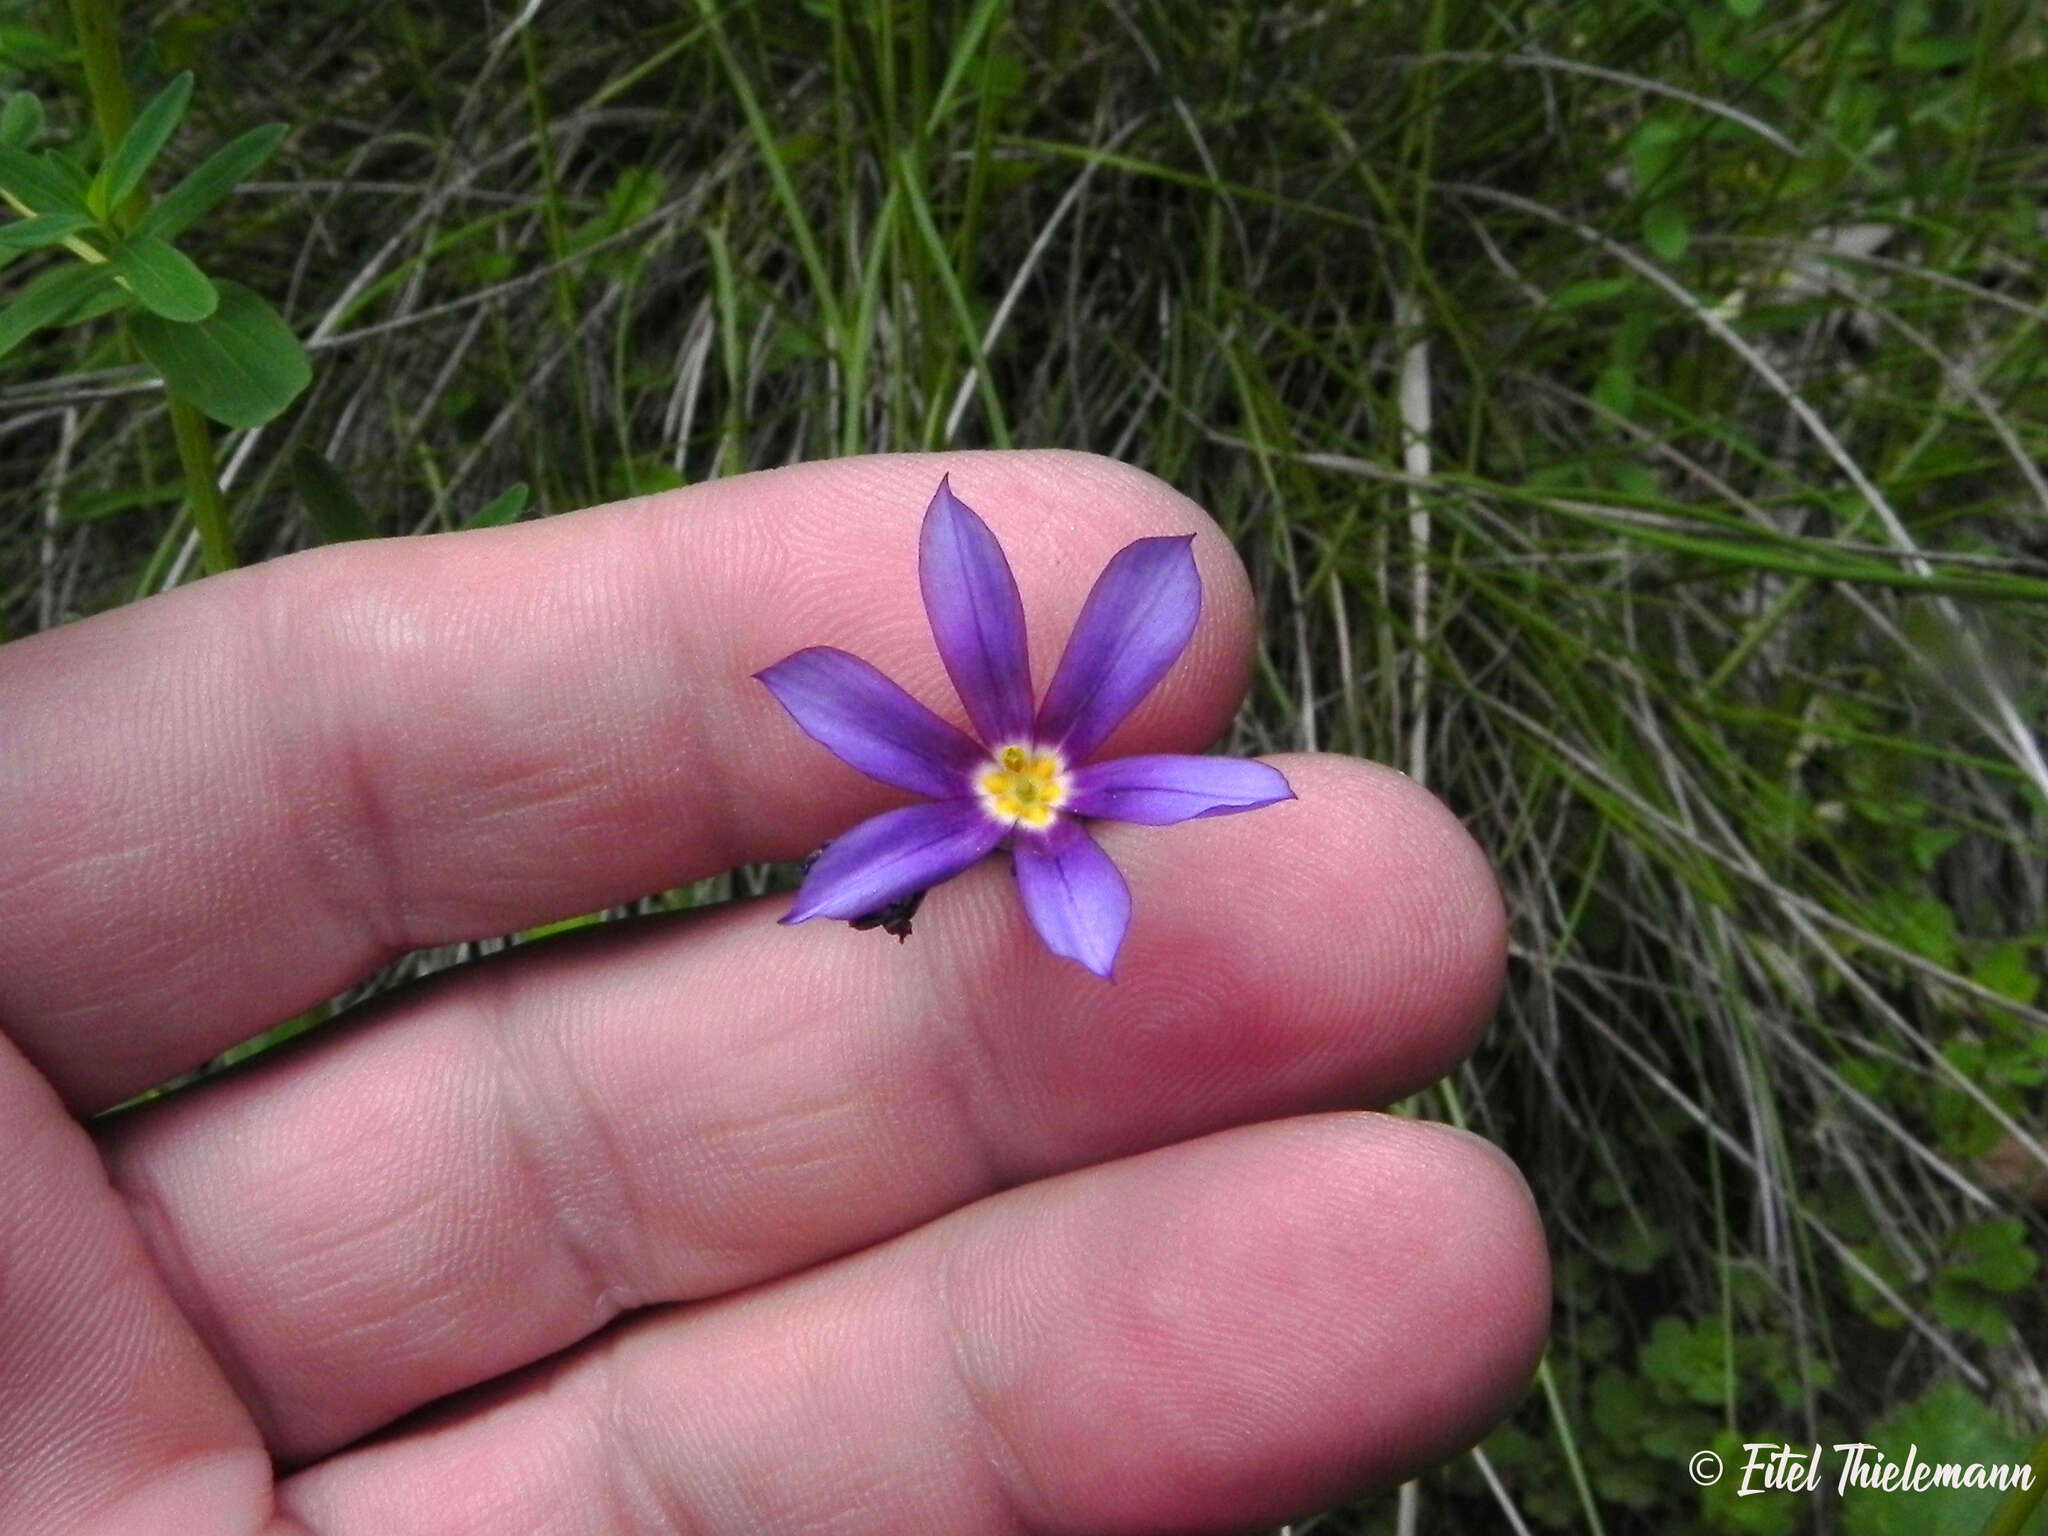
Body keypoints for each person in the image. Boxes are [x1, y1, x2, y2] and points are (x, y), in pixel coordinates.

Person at [0, 452, 1548, 1535]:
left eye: (1025, 772)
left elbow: (1171, 787)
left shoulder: (1072, 814)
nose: (1018, 776)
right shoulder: (964, 806)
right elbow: (874, 818)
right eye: (1010, 772)